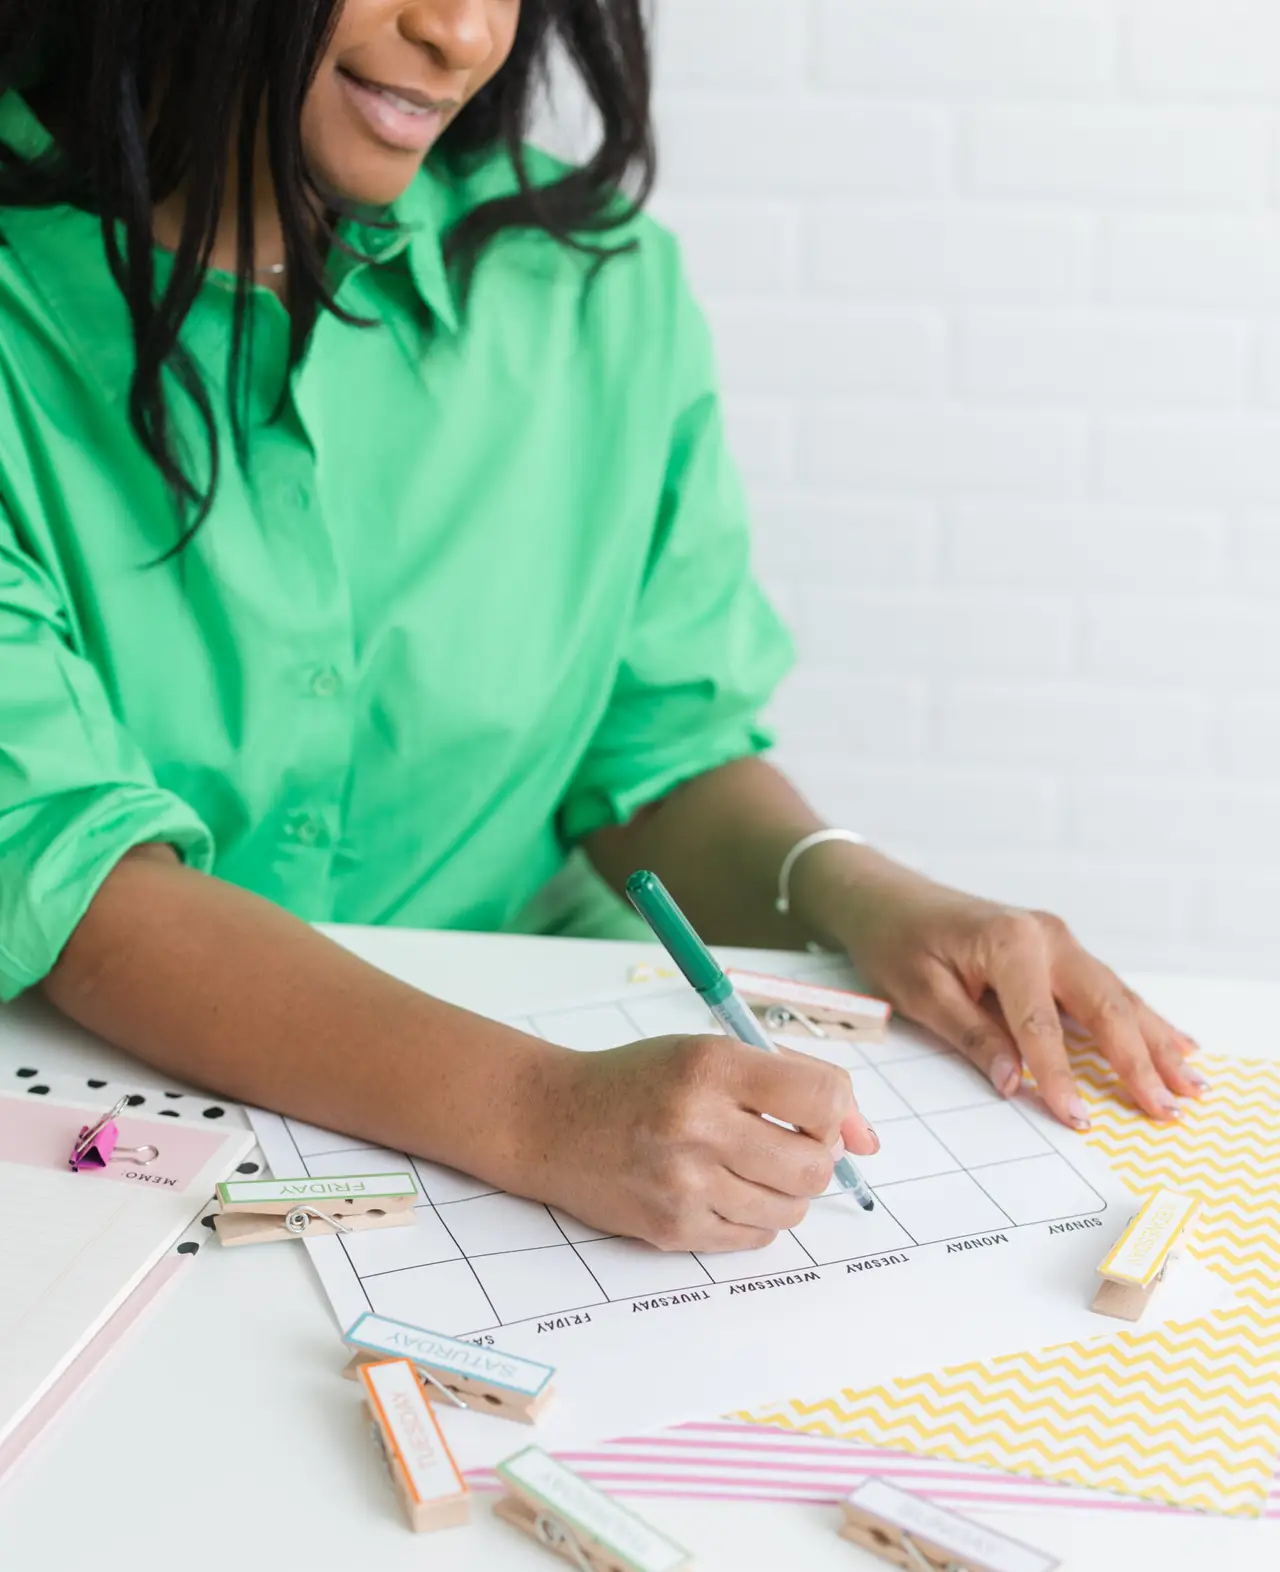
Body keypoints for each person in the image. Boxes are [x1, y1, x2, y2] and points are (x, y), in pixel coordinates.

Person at [0, 0, 1205, 1256]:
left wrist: (861, 896)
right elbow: (71, 876)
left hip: (577, 1106)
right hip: (108, 1133)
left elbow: (654, 745)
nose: (465, 36)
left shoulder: (591, 285)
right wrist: (540, 1114)